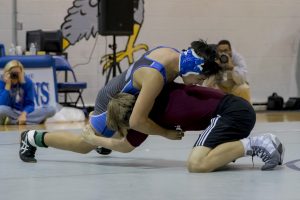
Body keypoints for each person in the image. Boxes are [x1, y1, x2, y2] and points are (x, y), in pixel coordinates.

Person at [19, 82, 284, 172]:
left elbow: (124, 145)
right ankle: (253, 146)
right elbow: (125, 144)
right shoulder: (148, 100)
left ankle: (259, 143)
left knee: (197, 164)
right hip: (232, 111)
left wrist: (96, 140)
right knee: (211, 162)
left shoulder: (142, 116)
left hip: (230, 112)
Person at [0, 60, 56, 125]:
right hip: (10, 111)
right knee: (1, 109)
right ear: (7, 73)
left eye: (17, 73)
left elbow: (30, 104)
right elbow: (2, 104)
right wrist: (7, 86)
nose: (15, 75)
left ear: (22, 72)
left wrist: (24, 114)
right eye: (13, 73)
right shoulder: (2, 82)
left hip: (24, 112)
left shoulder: (27, 82)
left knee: (51, 110)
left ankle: (13, 121)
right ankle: (34, 121)